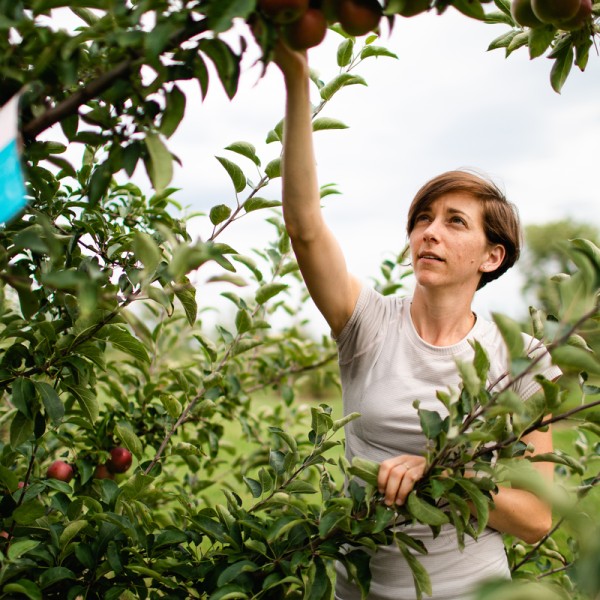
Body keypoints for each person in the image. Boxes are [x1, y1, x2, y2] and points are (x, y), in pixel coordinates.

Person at [273, 41, 562, 600]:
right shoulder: (369, 326)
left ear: (491, 256)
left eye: (455, 222)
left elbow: (535, 518)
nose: (430, 231)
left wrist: (443, 477)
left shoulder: (520, 356)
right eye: (422, 219)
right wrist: (297, 76)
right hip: (359, 589)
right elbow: (305, 226)